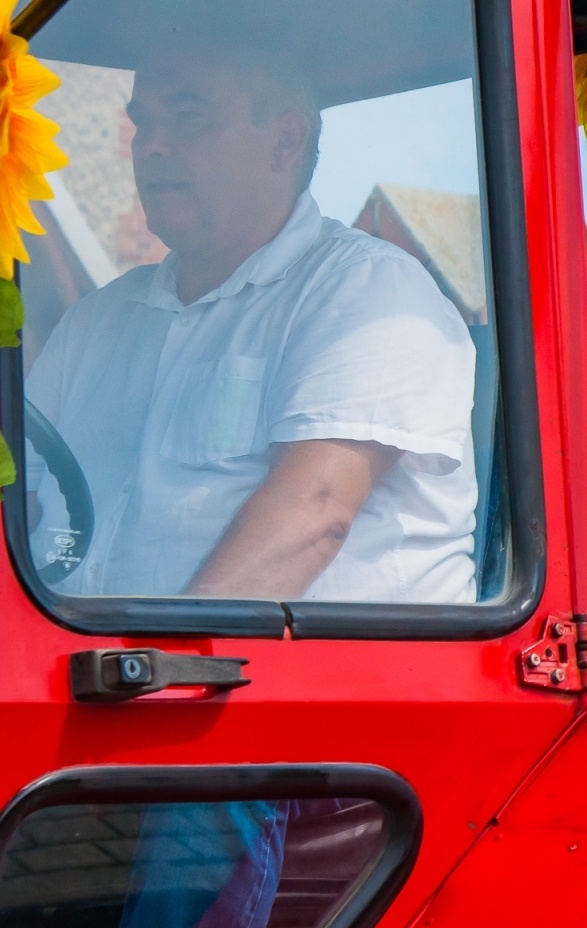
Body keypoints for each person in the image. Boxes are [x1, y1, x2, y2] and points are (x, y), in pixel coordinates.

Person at [25, 41, 478, 603]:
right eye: (143, 124)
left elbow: (314, 514)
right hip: (86, 674)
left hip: (304, 686)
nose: (152, 147)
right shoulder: (94, 323)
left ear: (283, 141)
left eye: (188, 118)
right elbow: (24, 503)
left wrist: (161, 667)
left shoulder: (367, 290)